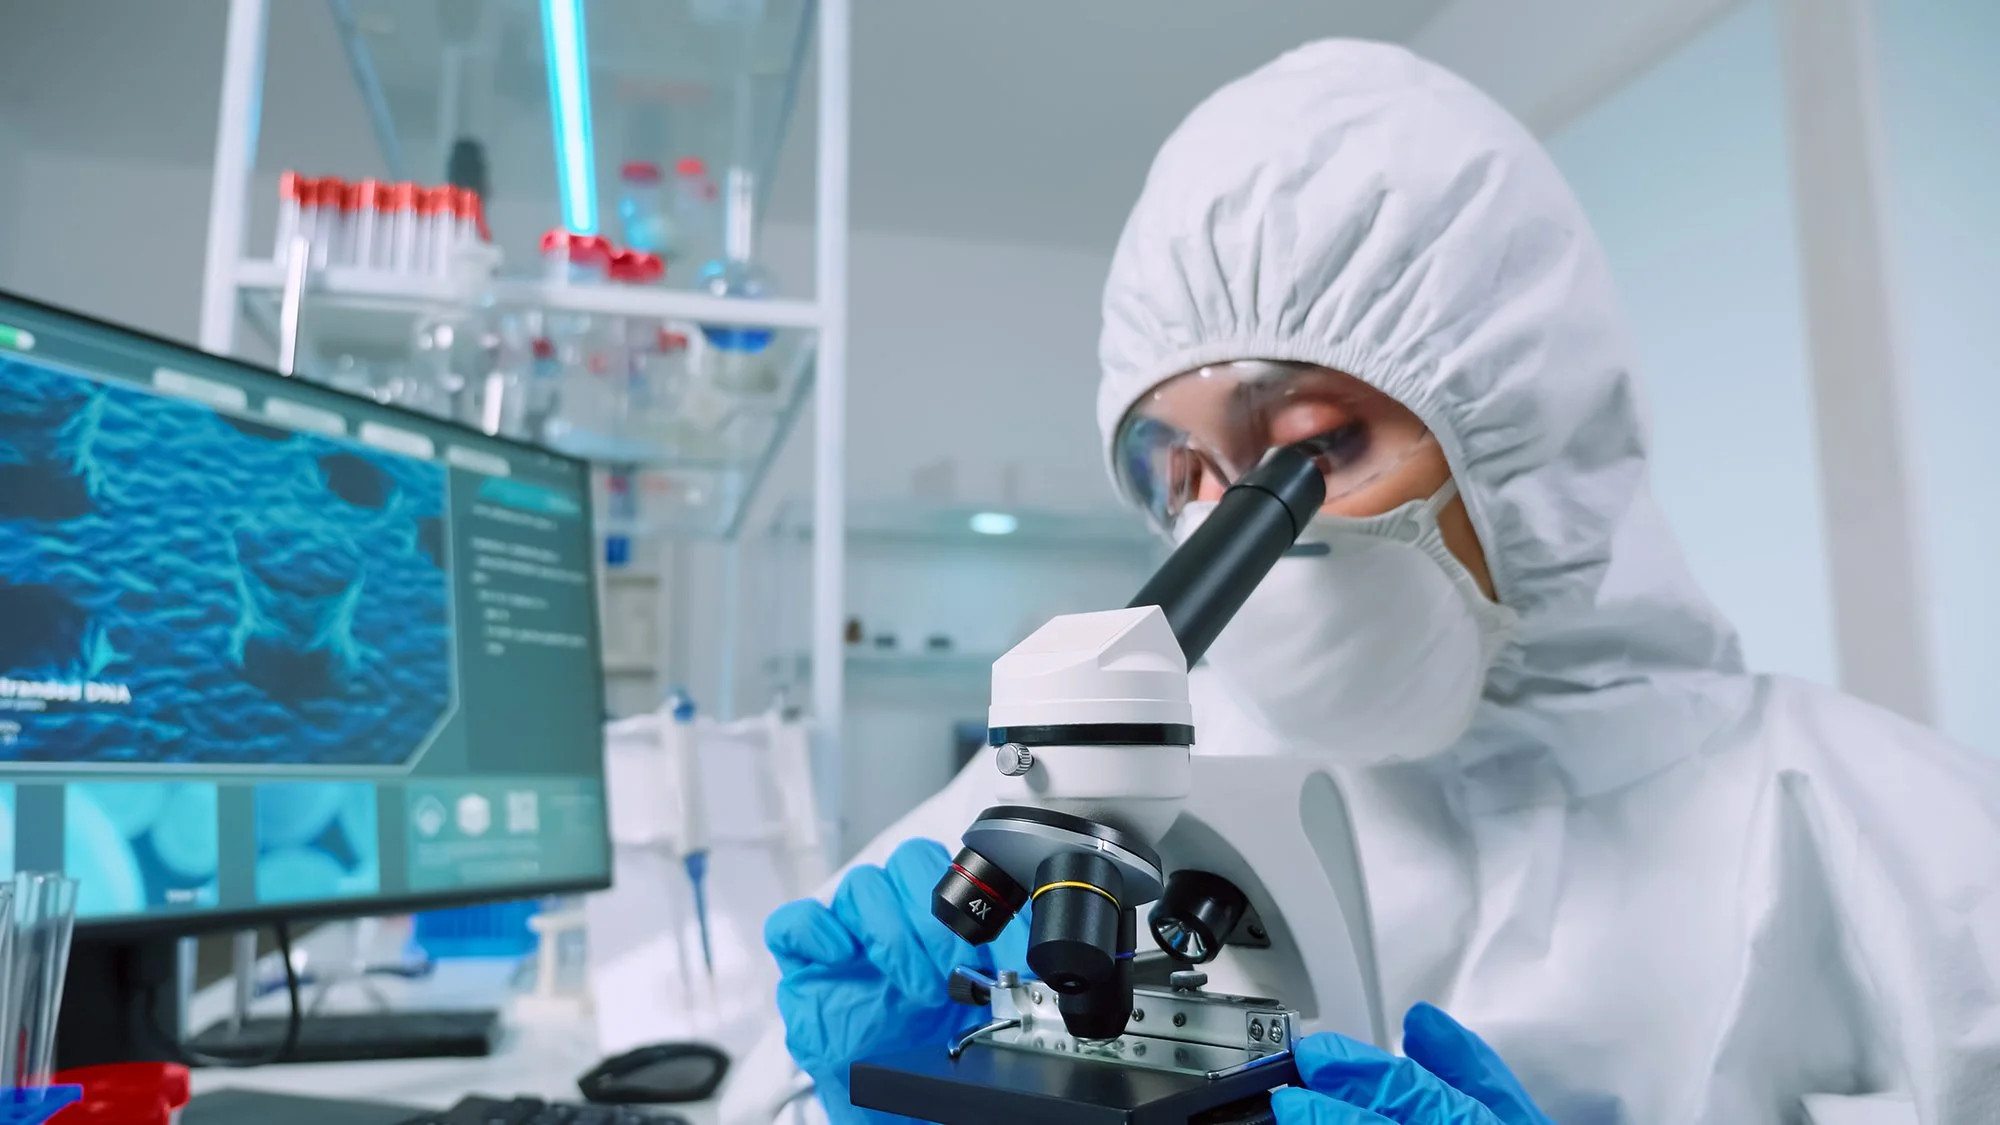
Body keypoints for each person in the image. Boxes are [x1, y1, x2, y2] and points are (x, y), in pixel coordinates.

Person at [730, 38, 2000, 1125]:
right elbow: (755, 1077)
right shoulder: (1115, 770)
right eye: (1181, 472)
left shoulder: (1900, 845)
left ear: (1524, 430)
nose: (1235, 537)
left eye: (1313, 449)